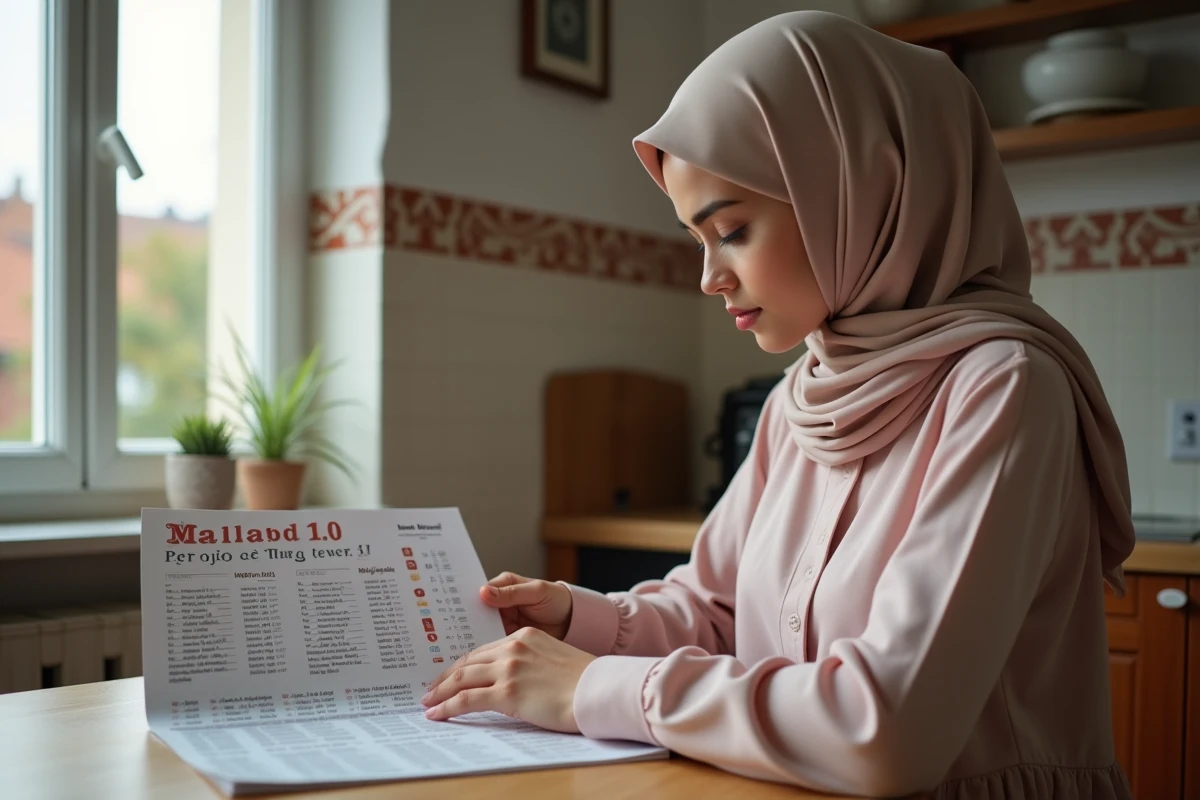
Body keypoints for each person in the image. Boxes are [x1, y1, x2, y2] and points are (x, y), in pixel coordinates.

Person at [420, 10, 1135, 798]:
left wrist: (590, 688)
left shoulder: (1004, 385)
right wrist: (572, 621)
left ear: (858, 194)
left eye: (730, 230)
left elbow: (885, 730)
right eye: (699, 240)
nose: (709, 277)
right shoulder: (803, 395)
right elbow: (715, 611)